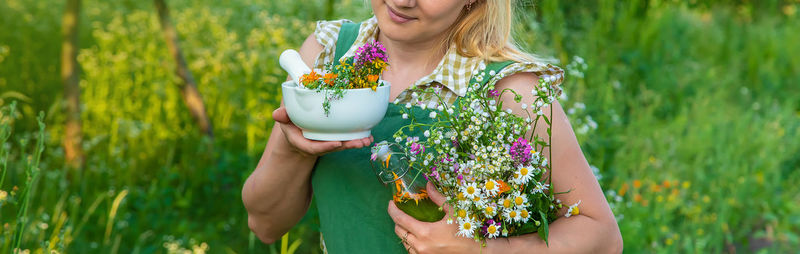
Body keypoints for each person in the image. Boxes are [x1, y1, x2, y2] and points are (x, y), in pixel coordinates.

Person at [242, 0, 623, 253]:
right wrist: (291, 147)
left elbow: (603, 236)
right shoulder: (326, 57)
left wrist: (485, 250)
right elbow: (264, 223)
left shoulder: (510, 89)